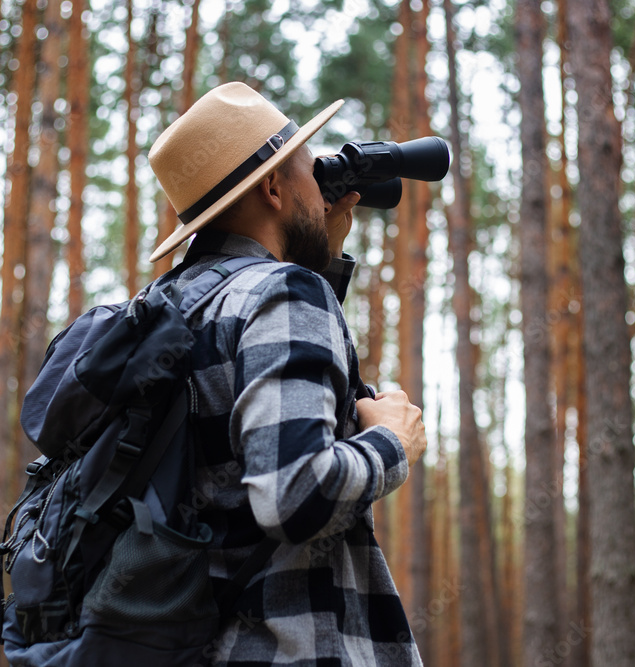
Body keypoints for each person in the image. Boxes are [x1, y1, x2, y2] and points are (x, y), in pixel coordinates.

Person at [147, 82, 427, 666]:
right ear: (273, 187)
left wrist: (319, 256)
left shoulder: (168, 304)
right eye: (305, 162)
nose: (319, 180)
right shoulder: (286, 294)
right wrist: (391, 440)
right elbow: (294, 493)